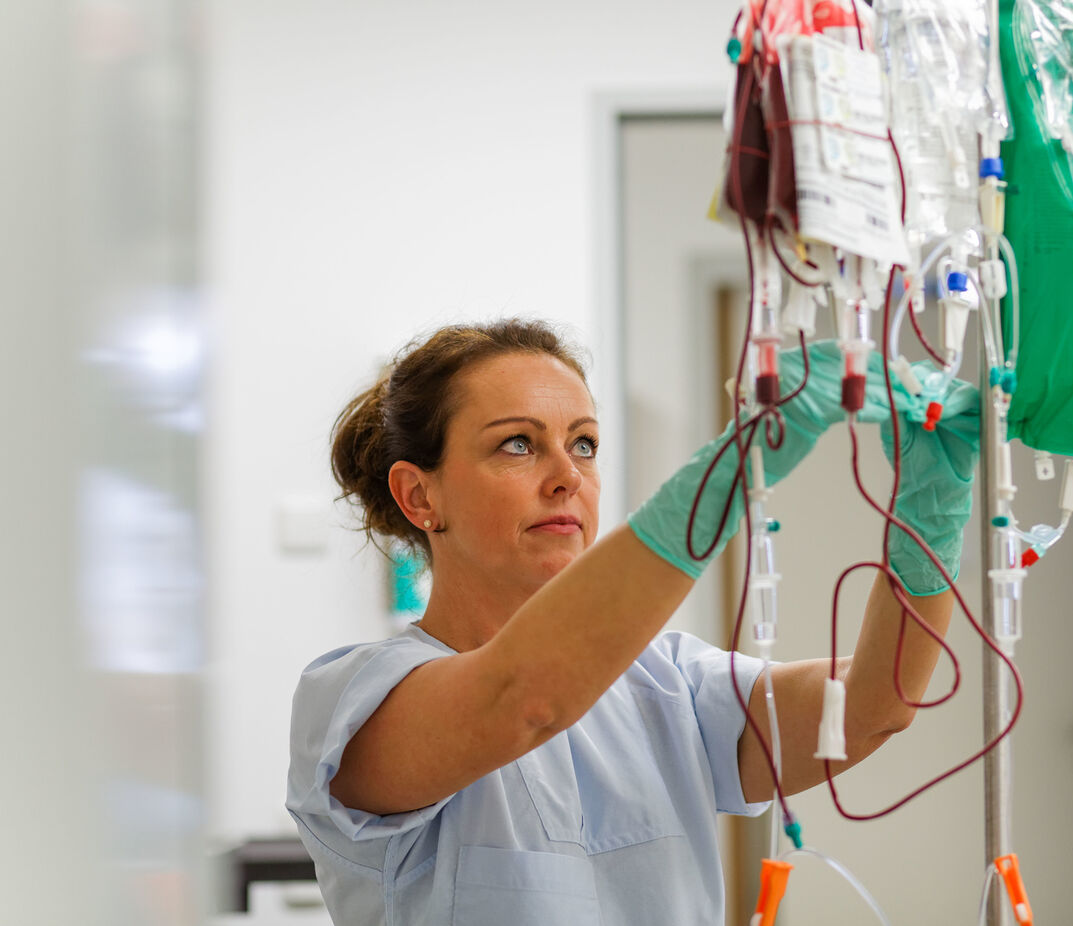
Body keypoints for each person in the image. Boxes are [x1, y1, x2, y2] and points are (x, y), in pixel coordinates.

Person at [286, 318, 979, 925]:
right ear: (418, 494)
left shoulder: (668, 682)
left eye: (583, 444)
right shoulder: (354, 701)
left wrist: (930, 516)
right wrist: (724, 478)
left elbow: (873, 706)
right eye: (517, 445)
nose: (567, 476)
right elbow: (524, 699)